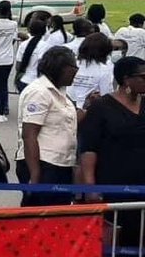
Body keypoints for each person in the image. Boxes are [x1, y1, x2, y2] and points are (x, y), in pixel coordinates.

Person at [79, 56, 145, 257]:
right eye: (142, 76)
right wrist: (90, 185)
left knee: (140, 238)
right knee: (105, 240)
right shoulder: (102, 107)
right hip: (110, 184)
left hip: (141, 187)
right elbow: (88, 150)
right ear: (125, 79)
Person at [16, 46, 82, 208]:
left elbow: (65, 124)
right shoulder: (39, 92)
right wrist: (35, 174)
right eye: (74, 68)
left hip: (61, 163)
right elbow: (29, 134)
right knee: (40, 216)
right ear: (61, 67)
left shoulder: (61, 92)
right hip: (43, 164)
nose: (76, 72)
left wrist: (87, 108)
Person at [68, 33, 116, 107]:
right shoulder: (104, 69)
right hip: (88, 109)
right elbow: (106, 96)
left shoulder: (71, 63)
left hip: (67, 104)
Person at [15, 18, 49, 92]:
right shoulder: (45, 46)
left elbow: (18, 66)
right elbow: (43, 67)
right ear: (44, 31)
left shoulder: (23, 45)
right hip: (37, 83)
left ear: (29, 30)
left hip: (23, 81)